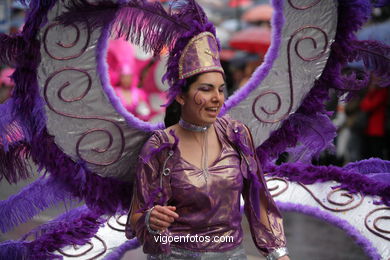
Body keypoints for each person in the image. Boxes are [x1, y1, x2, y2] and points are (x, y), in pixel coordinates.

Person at [125, 29, 289, 260]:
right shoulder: (160, 146)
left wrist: (278, 253)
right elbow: (136, 215)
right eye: (206, 89)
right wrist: (151, 220)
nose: (217, 98)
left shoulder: (236, 134)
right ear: (181, 96)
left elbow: (258, 197)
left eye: (220, 89)